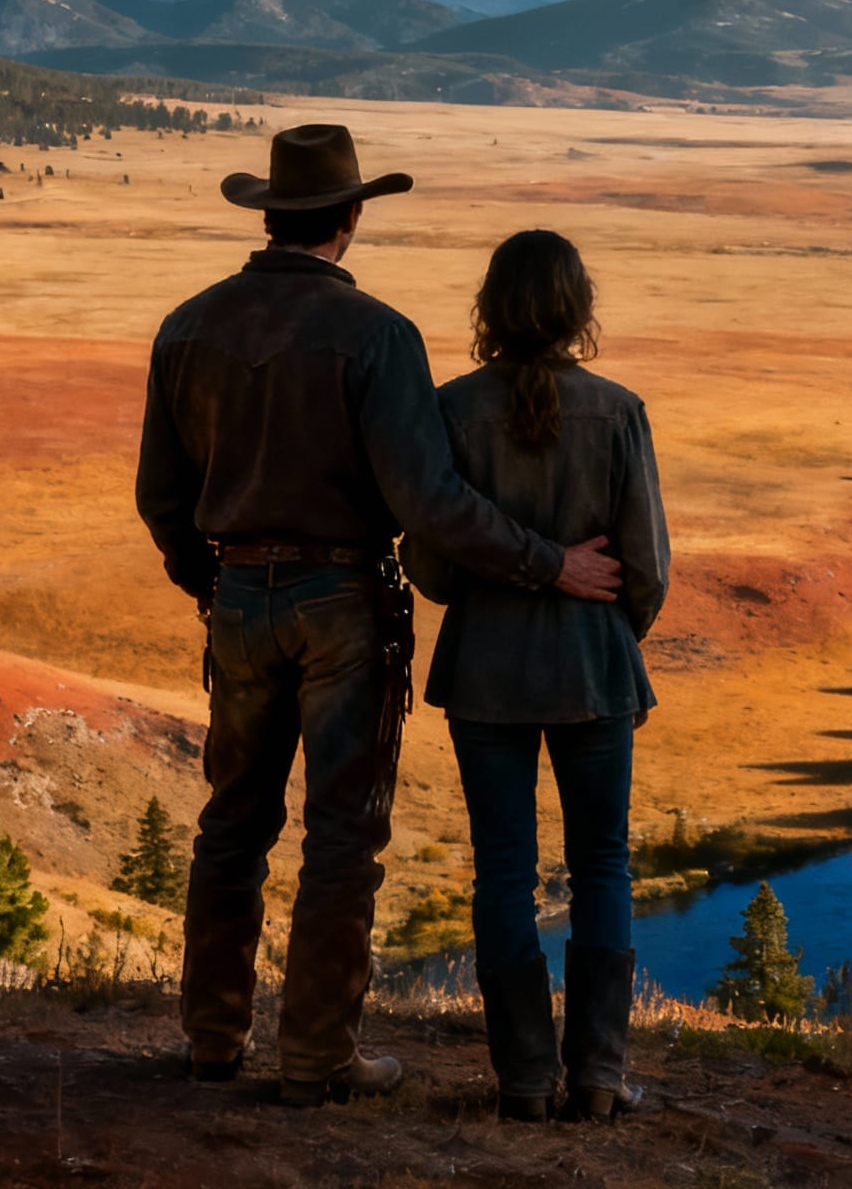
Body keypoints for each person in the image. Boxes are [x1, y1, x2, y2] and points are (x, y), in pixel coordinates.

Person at [135, 125, 623, 1107]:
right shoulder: (378, 338)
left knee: (230, 823)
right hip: (344, 602)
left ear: (269, 214)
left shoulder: (188, 325)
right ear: (350, 217)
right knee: (341, 834)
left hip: (236, 597)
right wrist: (549, 563)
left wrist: (217, 583)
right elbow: (430, 506)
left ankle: (214, 1039)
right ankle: (317, 1054)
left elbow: (160, 494)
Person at [406, 229, 669, 1124]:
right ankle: (597, 1074)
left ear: (491, 307)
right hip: (595, 670)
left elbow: (433, 568)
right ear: (578, 308)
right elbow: (648, 568)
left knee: (503, 874)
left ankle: (524, 1080)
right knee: (603, 864)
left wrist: (498, 576)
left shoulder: (450, 411)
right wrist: (604, 627)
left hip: (485, 672)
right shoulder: (619, 410)